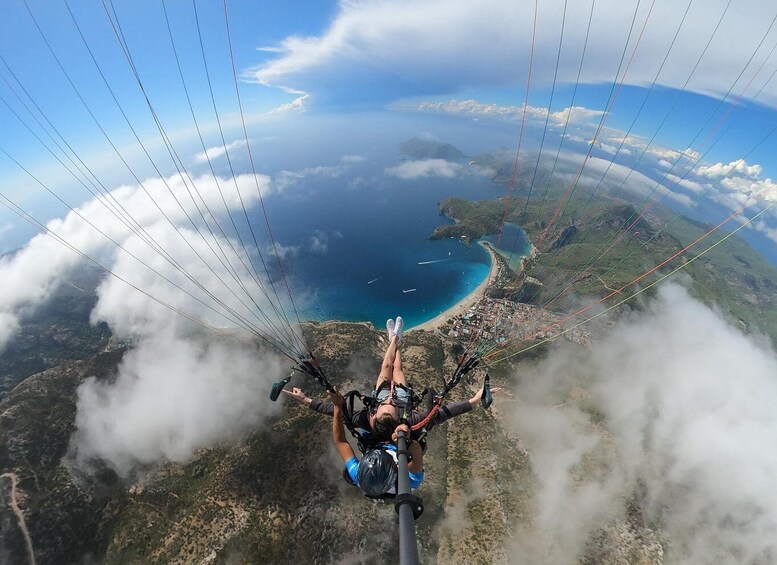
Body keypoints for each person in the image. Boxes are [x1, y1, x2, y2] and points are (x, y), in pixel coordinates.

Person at [282, 315, 500, 446]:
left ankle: (394, 338)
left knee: (386, 366)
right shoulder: (411, 421)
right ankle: (396, 338)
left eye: (381, 410)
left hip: (381, 391)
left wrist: (304, 399)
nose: (387, 407)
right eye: (390, 410)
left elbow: (331, 410)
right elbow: (443, 413)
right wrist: (474, 400)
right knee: (397, 366)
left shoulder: (365, 419)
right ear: (398, 418)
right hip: (403, 395)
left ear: (375, 415)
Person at [329, 390, 424, 498]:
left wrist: (337, 407)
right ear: (396, 466)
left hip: (374, 445)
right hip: (399, 444)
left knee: (367, 426)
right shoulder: (410, 481)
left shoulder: (358, 474)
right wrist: (404, 440)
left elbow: (341, 441)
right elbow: (416, 449)